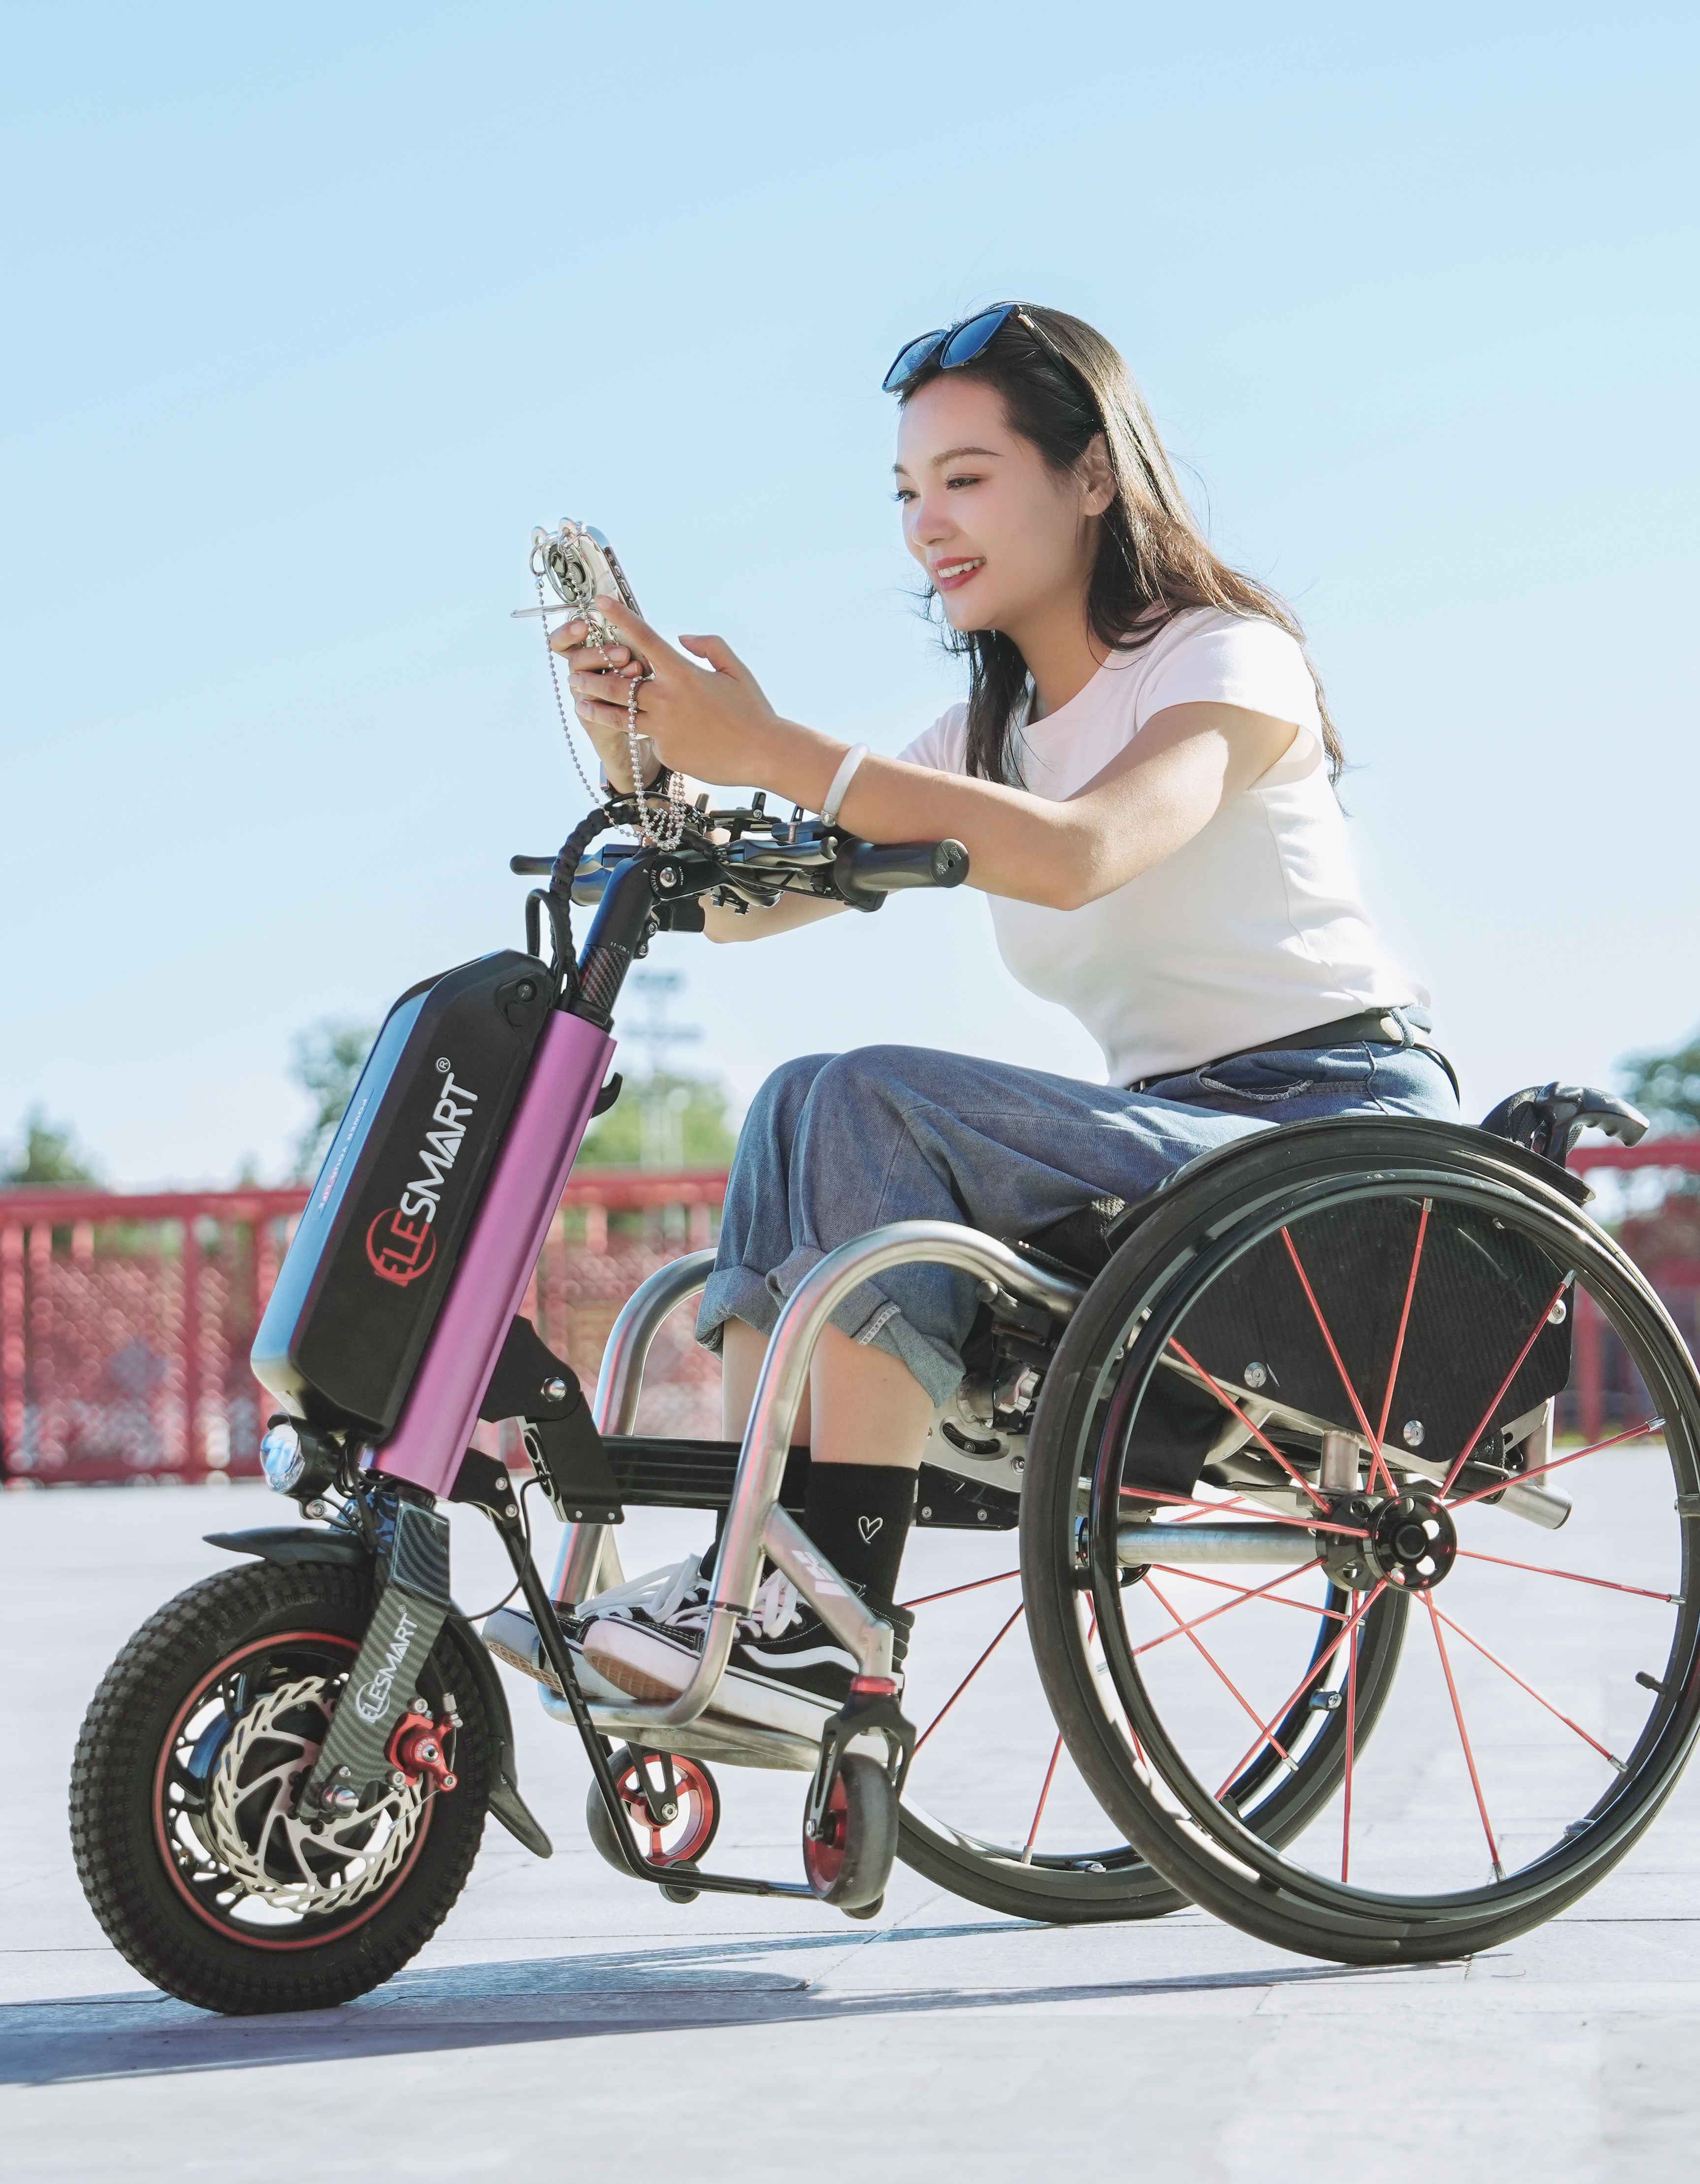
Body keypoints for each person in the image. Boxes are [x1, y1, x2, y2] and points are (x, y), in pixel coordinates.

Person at [519, 303, 1459, 1737]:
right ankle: (758, 1584)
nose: (924, 526)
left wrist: (770, 746)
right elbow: (738, 902)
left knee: (869, 1097)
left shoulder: (1227, 660)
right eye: (905, 492)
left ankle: (819, 1600)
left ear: (1092, 478)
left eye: (964, 479)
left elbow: (1081, 850)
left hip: (1326, 1138)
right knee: (803, 1093)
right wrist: (644, 750)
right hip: (1173, 1146)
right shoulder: (981, 741)